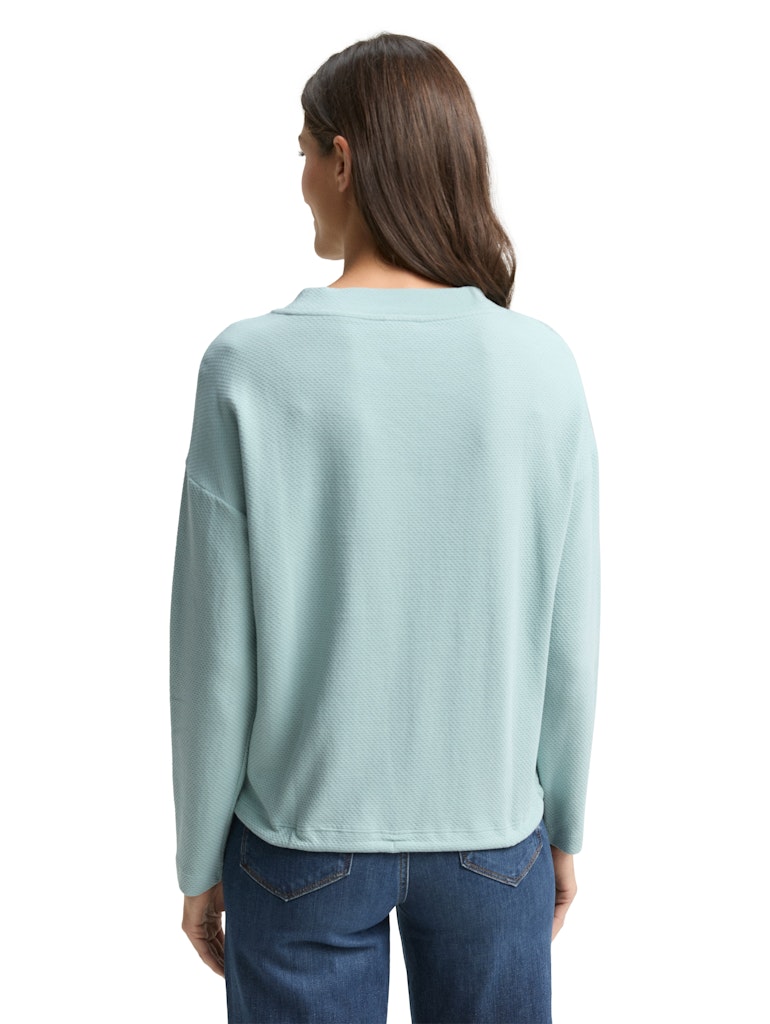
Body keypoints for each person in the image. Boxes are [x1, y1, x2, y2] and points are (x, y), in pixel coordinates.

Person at [170, 32, 600, 1024]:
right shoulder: (541, 367)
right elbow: (569, 639)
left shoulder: (247, 367)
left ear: (343, 158)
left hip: (299, 837)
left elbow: (212, 652)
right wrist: (565, 827)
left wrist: (197, 857)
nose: (300, 184)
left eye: (301, 153)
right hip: (494, 836)